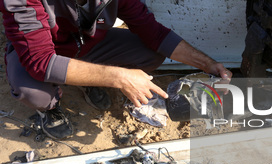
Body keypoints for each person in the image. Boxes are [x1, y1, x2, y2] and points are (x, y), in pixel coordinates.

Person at [0, 0, 232, 139]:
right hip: (41, 50)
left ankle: (87, 80)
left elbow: (154, 33)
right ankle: (50, 109)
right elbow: (40, 61)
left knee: (150, 52)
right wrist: (119, 77)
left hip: (87, 45)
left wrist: (208, 64)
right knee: (33, 93)